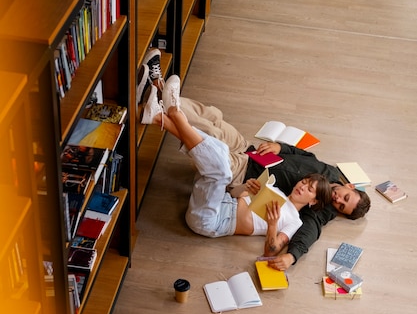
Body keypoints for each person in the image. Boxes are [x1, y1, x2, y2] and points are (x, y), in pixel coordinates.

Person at [138, 49, 370, 267]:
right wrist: (280, 147)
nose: (338, 199)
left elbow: (306, 234)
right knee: (213, 117)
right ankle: (157, 92)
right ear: (350, 185)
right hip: (250, 153)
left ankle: (159, 102)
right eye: (345, 197)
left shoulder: (318, 208)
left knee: (214, 139)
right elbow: (304, 155)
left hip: (241, 172)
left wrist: (292, 256)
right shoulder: (328, 172)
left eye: (341, 206)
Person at [141, 77, 333, 246]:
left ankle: (171, 112)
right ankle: (158, 111)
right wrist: (246, 188)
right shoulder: (276, 191)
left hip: (211, 219)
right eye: (305, 182)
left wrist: (273, 225)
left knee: (221, 168)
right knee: (219, 141)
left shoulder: (295, 222)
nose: (302, 186)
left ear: (313, 201)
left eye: (309, 189)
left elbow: (272, 249)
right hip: (217, 198)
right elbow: (232, 193)